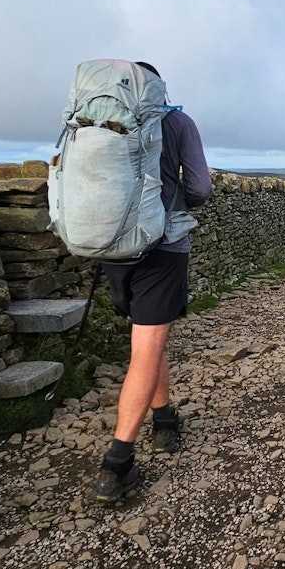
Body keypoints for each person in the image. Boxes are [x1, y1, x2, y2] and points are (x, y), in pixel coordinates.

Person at [91, 61, 213, 503]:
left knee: (146, 336)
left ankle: (163, 420)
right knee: (146, 345)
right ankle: (116, 464)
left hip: (110, 244)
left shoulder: (96, 120)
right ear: (158, 88)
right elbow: (199, 186)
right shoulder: (177, 120)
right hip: (162, 245)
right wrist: (177, 196)